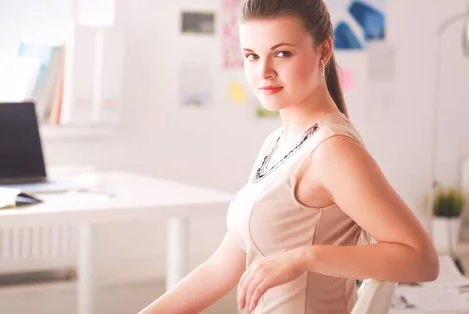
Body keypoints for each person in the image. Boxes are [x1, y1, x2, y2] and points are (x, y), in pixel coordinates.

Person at [138, 0, 439, 313]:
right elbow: (221, 267)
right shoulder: (278, 143)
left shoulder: (332, 150)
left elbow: (422, 259)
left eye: (282, 53)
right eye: (251, 56)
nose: (263, 71)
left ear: (323, 51)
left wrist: (304, 257)